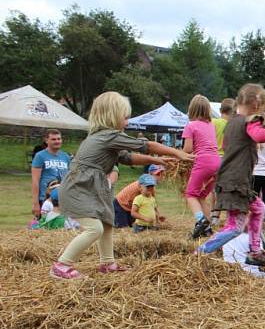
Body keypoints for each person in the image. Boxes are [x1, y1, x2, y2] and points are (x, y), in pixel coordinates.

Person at [49, 92, 193, 280]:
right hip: (80, 187)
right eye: (125, 117)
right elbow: (145, 145)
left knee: (106, 223)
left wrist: (157, 160)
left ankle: (107, 263)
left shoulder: (104, 138)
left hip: (91, 185)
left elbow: (128, 157)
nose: (127, 121)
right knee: (95, 229)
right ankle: (62, 265)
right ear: (111, 116)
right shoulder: (109, 136)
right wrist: (177, 153)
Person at [196, 83, 265, 267]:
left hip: (231, 178)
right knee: (234, 228)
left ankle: (255, 251)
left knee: (258, 208)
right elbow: (259, 136)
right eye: (263, 109)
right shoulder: (251, 120)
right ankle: (200, 252)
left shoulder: (231, 123)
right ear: (257, 104)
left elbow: (226, 147)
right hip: (236, 181)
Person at [183, 95, 222, 239]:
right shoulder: (210, 125)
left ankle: (200, 221)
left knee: (190, 194)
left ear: (191, 109)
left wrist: (176, 156)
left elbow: (187, 150)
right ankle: (208, 227)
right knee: (202, 195)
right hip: (217, 163)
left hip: (203, 162)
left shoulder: (190, 126)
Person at [31, 129, 71, 219]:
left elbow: (69, 178)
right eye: (53, 139)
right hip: (45, 198)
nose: (57, 141)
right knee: (43, 228)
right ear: (46, 140)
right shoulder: (40, 156)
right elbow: (35, 180)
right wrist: (35, 203)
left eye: (59, 139)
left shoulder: (66, 156)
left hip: (62, 198)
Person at [210, 98, 236, 226]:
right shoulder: (232, 126)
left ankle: (213, 215)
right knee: (223, 190)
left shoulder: (212, 122)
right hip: (226, 160)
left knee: (213, 189)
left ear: (220, 110)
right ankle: (219, 216)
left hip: (211, 159)